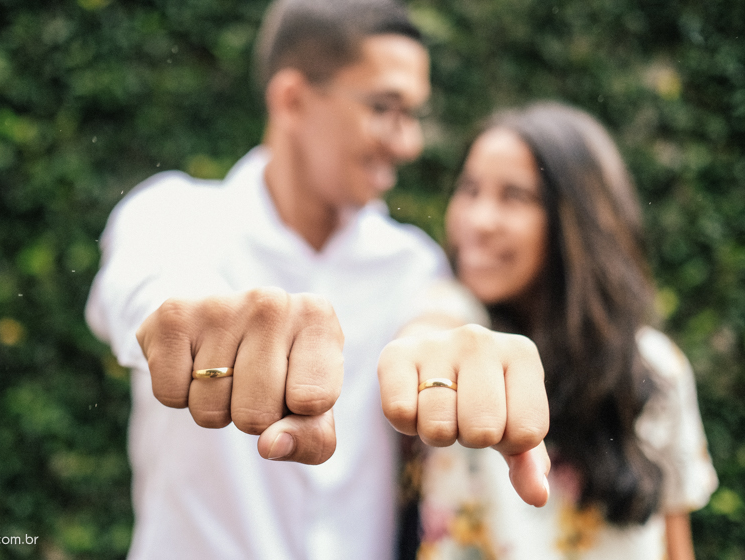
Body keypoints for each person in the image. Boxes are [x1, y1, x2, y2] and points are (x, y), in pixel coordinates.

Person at [85, 1, 550, 559]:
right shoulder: (175, 217)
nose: (408, 144)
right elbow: (149, 286)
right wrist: (194, 316)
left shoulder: (413, 262)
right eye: (385, 108)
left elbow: (432, 322)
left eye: (413, 114)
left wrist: (452, 350)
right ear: (293, 100)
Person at [419, 102, 718, 560]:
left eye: (514, 196)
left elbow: (676, 547)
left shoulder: (656, 369)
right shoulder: (450, 341)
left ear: (576, 219)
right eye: (470, 189)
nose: (478, 222)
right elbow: (429, 326)